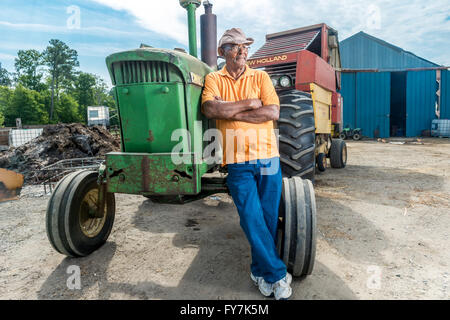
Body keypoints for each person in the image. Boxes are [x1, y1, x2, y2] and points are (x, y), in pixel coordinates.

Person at [201, 28, 292, 300]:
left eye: (244, 46)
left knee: (265, 219)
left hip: (268, 158)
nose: (241, 51)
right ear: (223, 52)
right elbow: (211, 109)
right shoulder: (214, 78)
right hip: (238, 162)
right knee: (251, 219)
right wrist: (251, 104)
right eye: (233, 46)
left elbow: (272, 112)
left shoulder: (261, 76)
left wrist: (232, 111)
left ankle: (257, 270)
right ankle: (277, 275)